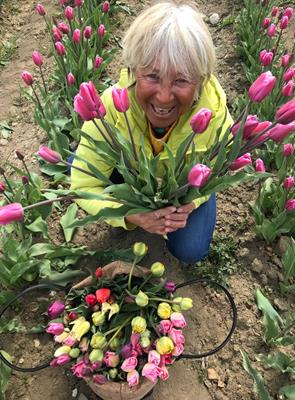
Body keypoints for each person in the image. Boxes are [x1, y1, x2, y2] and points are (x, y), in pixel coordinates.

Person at [71, 0, 233, 264]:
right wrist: (130, 214)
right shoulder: (111, 107)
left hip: (182, 190)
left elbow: (218, 168)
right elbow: (83, 185)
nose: (165, 96)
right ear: (134, 70)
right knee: (83, 168)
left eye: (181, 80)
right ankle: (98, 172)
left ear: (201, 80)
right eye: (153, 77)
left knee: (191, 250)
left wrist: (191, 202)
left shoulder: (213, 114)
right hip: (133, 177)